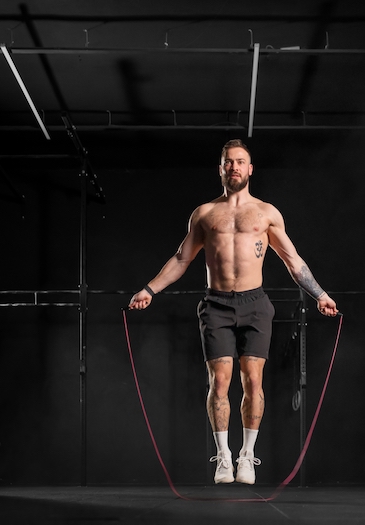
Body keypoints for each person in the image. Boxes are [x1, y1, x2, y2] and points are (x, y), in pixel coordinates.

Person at [128, 139, 338, 485]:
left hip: (255, 304)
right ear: (221, 168)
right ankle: (224, 456)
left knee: (253, 381)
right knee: (220, 381)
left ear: (250, 169)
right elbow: (182, 258)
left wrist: (320, 294)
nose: (234, 167)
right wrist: (150, 289)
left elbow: (293, 260)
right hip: (217, 304)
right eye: (228, 162)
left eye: (240, 162)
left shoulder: (267, 213)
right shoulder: (205, 214)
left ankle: (247, 456)